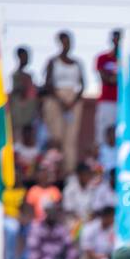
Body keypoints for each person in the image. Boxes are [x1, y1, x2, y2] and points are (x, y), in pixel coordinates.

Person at [41, 31, 85, 172]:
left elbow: (82, 85)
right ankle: (53, 171)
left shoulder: (77, 63)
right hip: (56, 99)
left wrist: (72, 102)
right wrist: (61, 101)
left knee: (70, 140)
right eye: (64, 42)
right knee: (56, 137)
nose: (67, 45)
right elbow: (48, 84)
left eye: (69, 42)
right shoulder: (52, 62)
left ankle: (69, 171)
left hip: (73, 101)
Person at [93, 28, 121, 144]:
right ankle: (102, 160)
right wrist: (118, 78)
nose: (117, 42)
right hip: (107, 101)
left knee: (120, 133)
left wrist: (113, 78)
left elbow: (129, 82)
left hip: (123, 102)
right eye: (115, 39)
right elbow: (105, 79)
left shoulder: (128, 59)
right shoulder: (102, 58)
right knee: (103, 132)